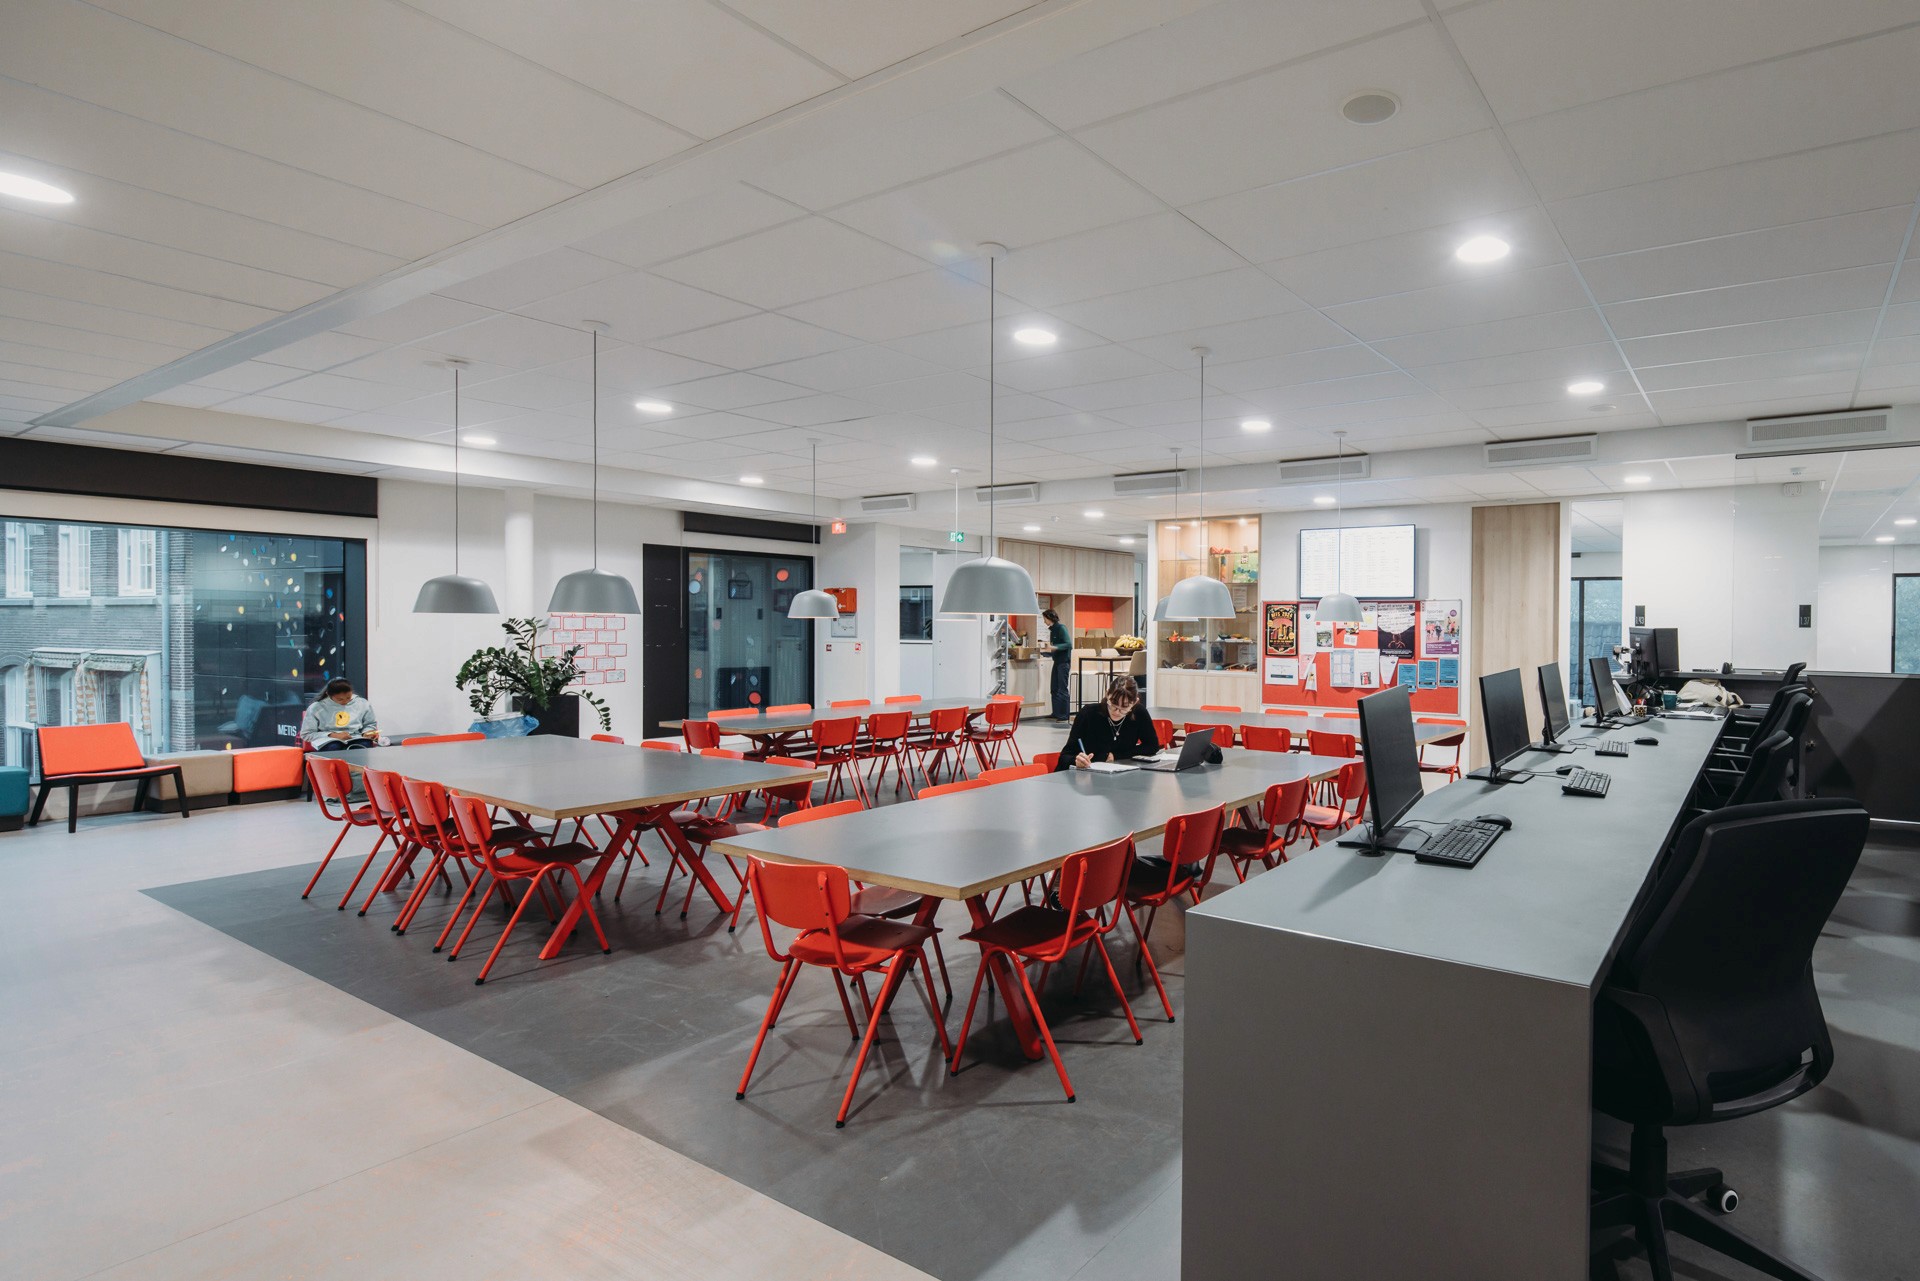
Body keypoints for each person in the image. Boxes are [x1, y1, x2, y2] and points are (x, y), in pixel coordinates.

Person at [1054, 675, 1158, 771]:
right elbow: (1065, 757)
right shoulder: (1088, 714)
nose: (1117, 712)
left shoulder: (1138, 713)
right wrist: (1076, 761)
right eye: (1113, 705)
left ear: (1134, 702)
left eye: (1124, 708)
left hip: (1120, 778)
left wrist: (1116, 756)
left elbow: (1152, 746)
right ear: (1107, 693)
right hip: (1086, 780)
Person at [301, 678, 380, 750]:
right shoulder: (316, 707)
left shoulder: (362, 703)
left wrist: (367, 733)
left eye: (348, 697)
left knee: (364, 744)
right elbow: (306, 734)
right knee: (334, 746)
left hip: (356, 737)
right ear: (328, 694)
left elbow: (370, 724)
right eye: (340, 699)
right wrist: (332, 735)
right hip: (328, 740)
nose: (345, 701)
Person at [1044, 607, 1072, 721]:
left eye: (1045, 618)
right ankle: (1056, 712)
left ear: (1050, 618)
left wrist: (1054, 647)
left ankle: (1064, 715)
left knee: (1062, 688)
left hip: (1063, 663)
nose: (1044, 621)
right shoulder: (1052, 630)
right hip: (1057, 661)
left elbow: (1068, 644)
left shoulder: (1061, 628)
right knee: (1054, 688)